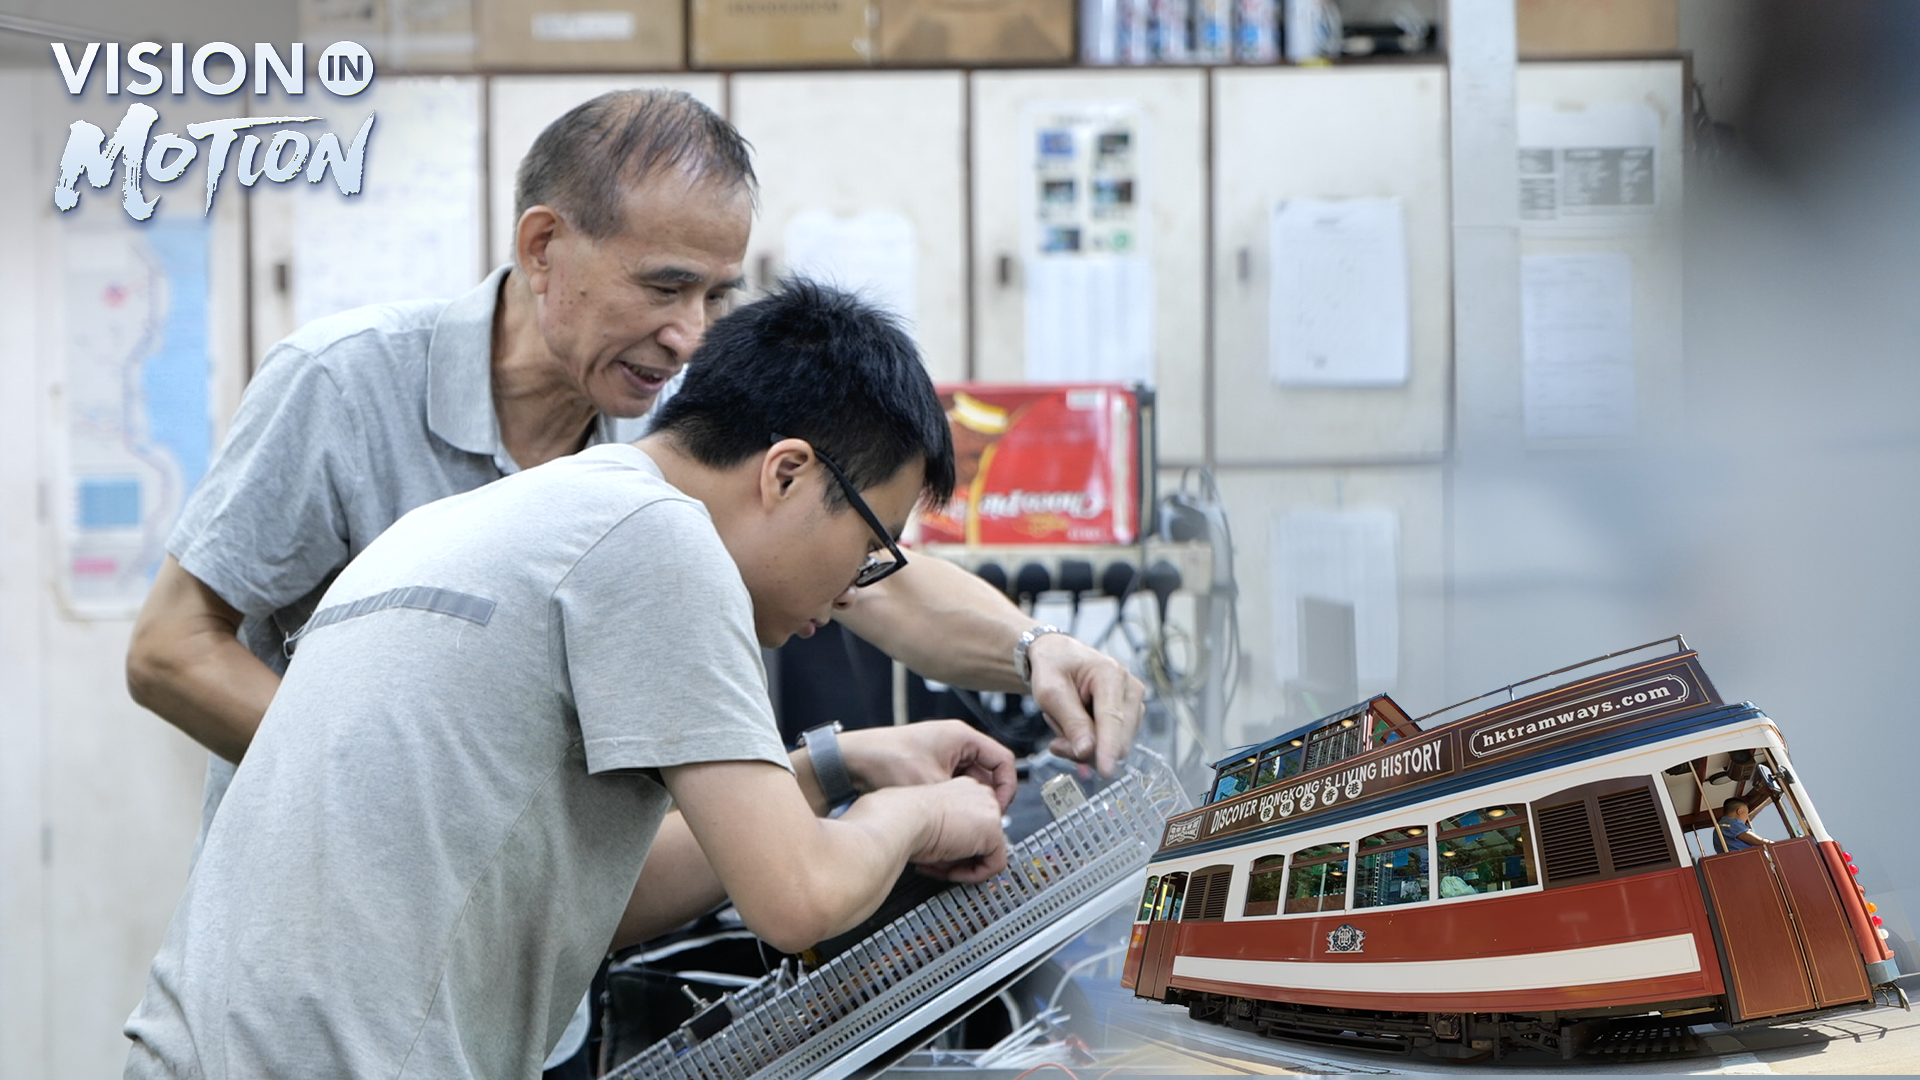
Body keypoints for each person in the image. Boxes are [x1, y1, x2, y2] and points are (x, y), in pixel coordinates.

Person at [123, 279, 1020, 1080]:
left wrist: (841, 766)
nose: (853, 590)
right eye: (870, 548)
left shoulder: (502, 516)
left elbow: (598, 896)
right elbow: (801, 900)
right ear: (787, 473)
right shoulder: (660, 540)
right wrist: (927, 815)